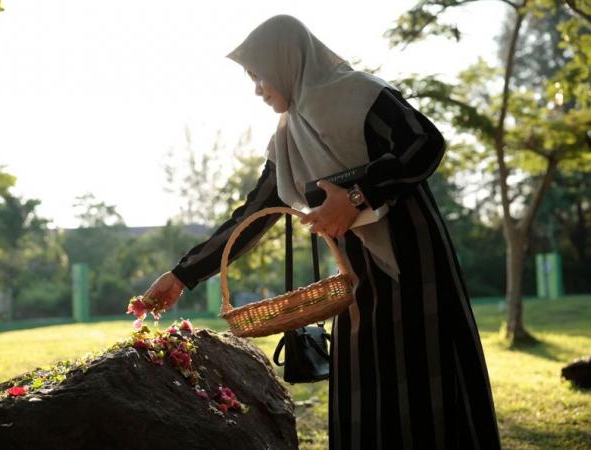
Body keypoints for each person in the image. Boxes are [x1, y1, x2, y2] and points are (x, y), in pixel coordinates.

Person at [144, 14, 501, 450]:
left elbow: (425, 142)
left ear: (285, 61)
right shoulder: (288, 135)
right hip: (352, 278)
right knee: (364, 393)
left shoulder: (362, 94)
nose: (258, 89)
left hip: (413, 261)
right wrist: (182, 275)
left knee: (429, 386)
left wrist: (355, 195)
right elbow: (254, 213)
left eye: (258, 75)